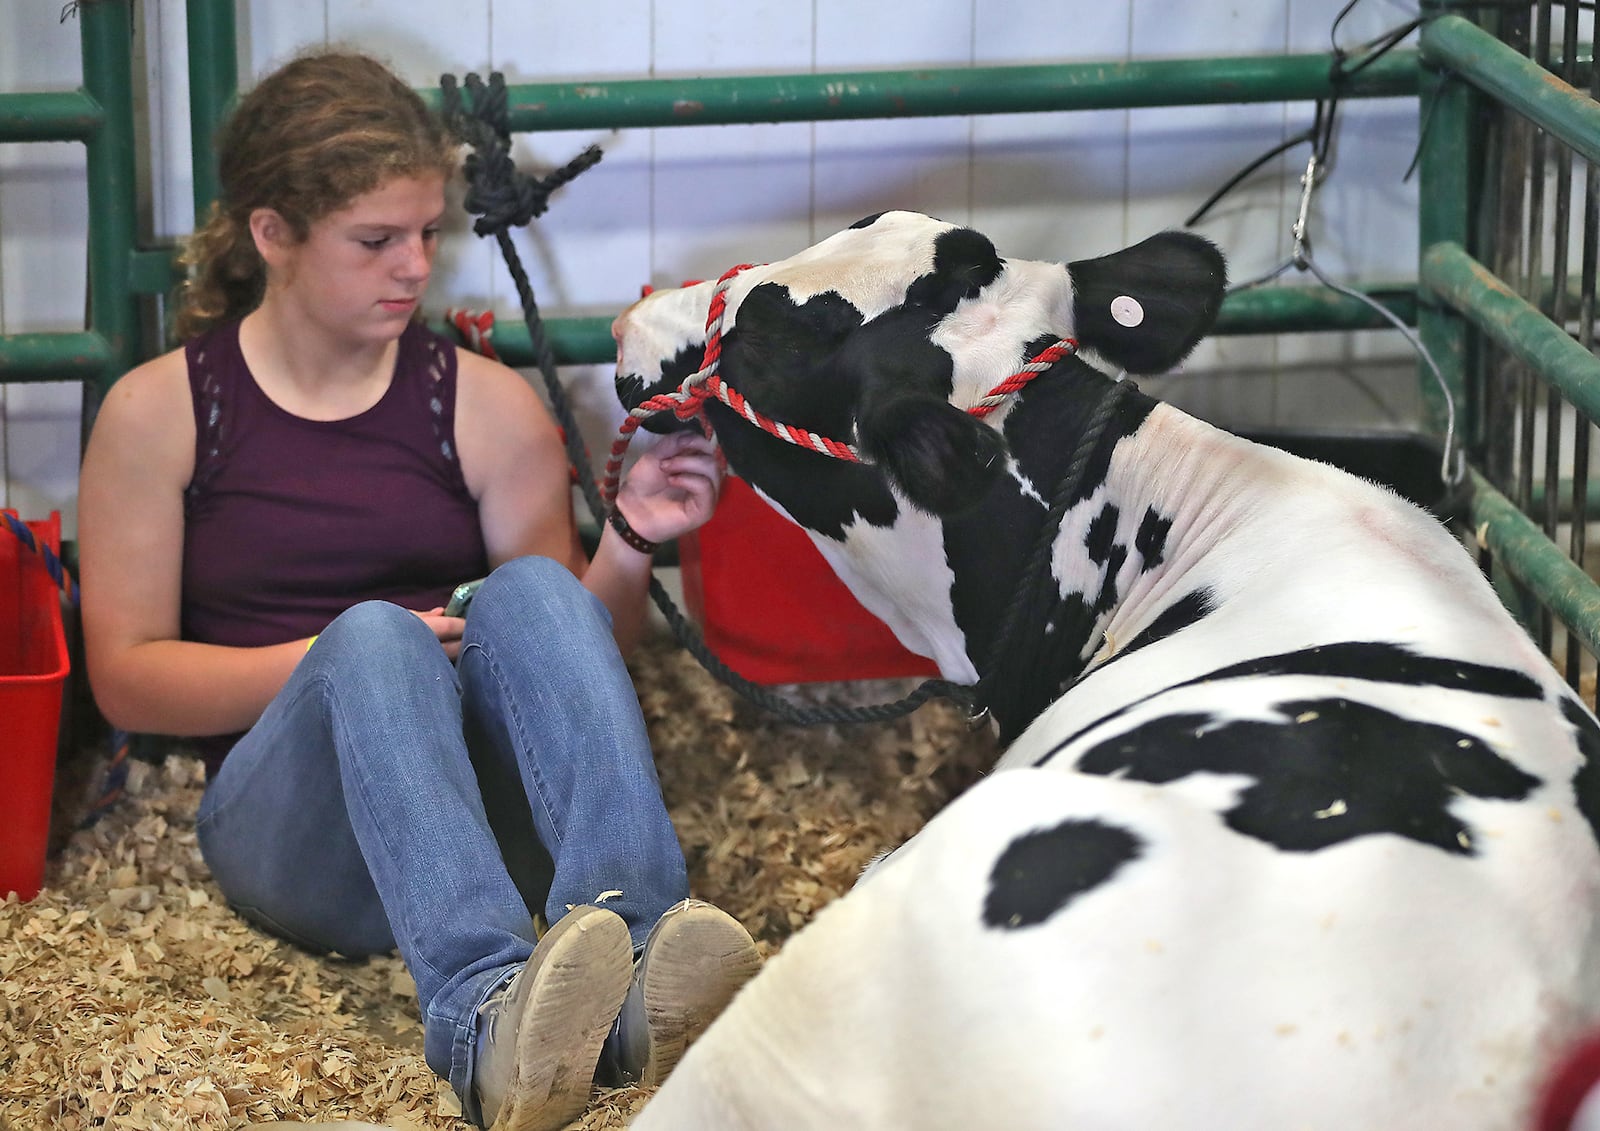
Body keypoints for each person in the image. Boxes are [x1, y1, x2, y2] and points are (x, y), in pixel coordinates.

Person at [76, 48, 761, 1131]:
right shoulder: (161, 412)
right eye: (375, 241)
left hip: (491, 832)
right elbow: (125, 680)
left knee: (535, 589)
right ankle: (481, 1012)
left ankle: (632, 968)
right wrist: (352, 657)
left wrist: (629, 539)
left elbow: (571, 654)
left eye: (427, 235)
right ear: (273, 235)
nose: (414, 268)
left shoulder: (483, 408)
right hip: (296, 842)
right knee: (371, 642)